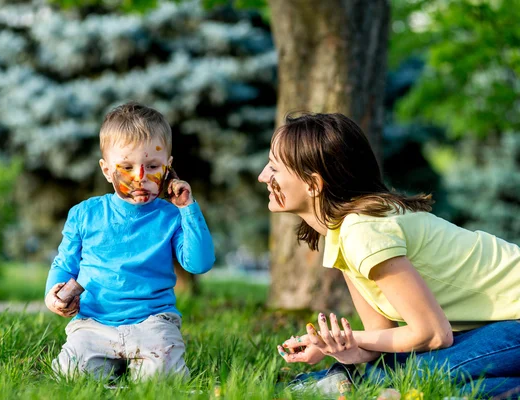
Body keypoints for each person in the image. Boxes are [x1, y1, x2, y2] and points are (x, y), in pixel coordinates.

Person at [257, 112, 520, 398]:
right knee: (412, 374)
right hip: (499, 326)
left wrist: (352, 339)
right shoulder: (343, 232)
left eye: (273, 167)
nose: (262, 176)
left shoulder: (363, 230)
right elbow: (382, 334)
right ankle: (343, 382)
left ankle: (339, 384)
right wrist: (337, 347)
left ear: (313, 184)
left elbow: (432, 334)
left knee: (414, 374)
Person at [44, 102, 215, 381]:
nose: (140, 178)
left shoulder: (171, 216)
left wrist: (187, 208)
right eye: (126, 166)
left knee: (162, 379)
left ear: (168, 168)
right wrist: (53, 295)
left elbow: (200, 263)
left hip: (153, 322)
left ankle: (142, 368)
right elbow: (64, 264)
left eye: (152, 166)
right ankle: (112, 368)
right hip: (94, 323)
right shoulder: (84, 215)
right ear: (106, 170)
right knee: (69, 373)